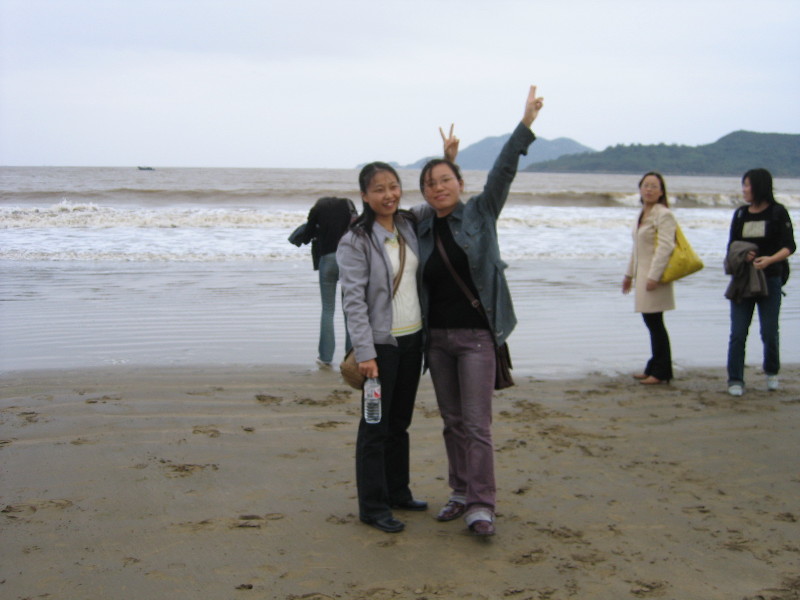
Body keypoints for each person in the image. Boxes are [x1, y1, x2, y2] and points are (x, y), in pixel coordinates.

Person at [411, 85, 544, 537]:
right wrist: (444, 159)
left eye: (445, 180)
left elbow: (504, 170)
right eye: (430, 183)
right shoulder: (421, 225)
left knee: (476, 425)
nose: (438, 187)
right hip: (437, 340)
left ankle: (482, 504)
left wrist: (525, 124)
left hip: (476, 339)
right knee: (452, 423)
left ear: (460, 184)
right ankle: (460, 491)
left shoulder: (481, 213)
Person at [337, 162, 426, 533]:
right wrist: (366, 352)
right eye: (379, 189)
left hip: (413, 340)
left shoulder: (408, 225)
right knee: (375, 426)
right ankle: (373, 507)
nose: (388, 195)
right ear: (364, 195)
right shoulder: (355, 240)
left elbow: (443, 197)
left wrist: (448, 163)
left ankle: (397, 492)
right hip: (381, 346)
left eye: (393, 186)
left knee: (400, 423)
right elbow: (353, 300)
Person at [725, 168, 795, 397]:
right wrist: (742, 255)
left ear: (759, 186)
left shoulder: (777, 212)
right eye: (743, 185)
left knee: (769, 331)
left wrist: (769, 260)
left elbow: (789, 246)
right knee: (738, 332)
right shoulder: (741, 214)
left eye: (747, 185)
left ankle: (772, 371)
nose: (744, 189)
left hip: (770, 279)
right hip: (743, 281)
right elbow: (731, 246)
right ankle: (735, 379)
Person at [621, 172, 677, 385]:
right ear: (640, 189)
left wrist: (654, 276)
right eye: (646, 185)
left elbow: (665, 247)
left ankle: (661, 371)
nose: (649, 190)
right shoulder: (642, 214)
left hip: (655, 276)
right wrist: (629, 275)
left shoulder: (664, 214)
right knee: (651, 321)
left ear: (661, 192)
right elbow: (636, 249)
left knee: (655, 322)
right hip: (643, 275)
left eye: (654, 186)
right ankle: (654, 367)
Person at [289, 196, 356, 367]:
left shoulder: (317, 209)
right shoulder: (348, 205)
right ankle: (350, 356)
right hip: (348, 260)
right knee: (349, 310)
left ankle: (325, 357)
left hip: (327, 260)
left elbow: (307, 235)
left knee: (328, 310)